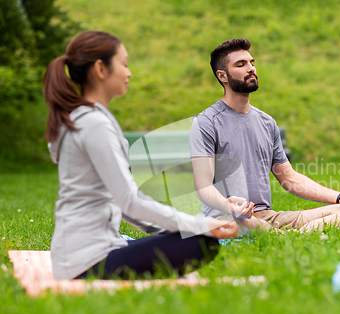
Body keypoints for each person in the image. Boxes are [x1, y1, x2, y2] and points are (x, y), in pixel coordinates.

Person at [43, 31, 238, 280]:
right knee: (200, 243)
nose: (129, 72)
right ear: (101, 69)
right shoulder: (94, 125)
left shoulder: (83, 119)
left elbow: (125, 204)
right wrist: (202, 226)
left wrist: (180, 228)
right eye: (123, 64)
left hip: (79, 255)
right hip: (86, 262)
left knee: (190, 236)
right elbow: (130, 202)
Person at [189, 38, 340, 233]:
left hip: (266, 216)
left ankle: (287, 237)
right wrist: (230, 206)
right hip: (228, 217)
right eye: (241, 64)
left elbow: (289, 178)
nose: (251, 68)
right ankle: (291, 236)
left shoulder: (267, 123)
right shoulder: (206, 123)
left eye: (252, 62)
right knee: (243, 223)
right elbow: (203, 186)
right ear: (222, 76)